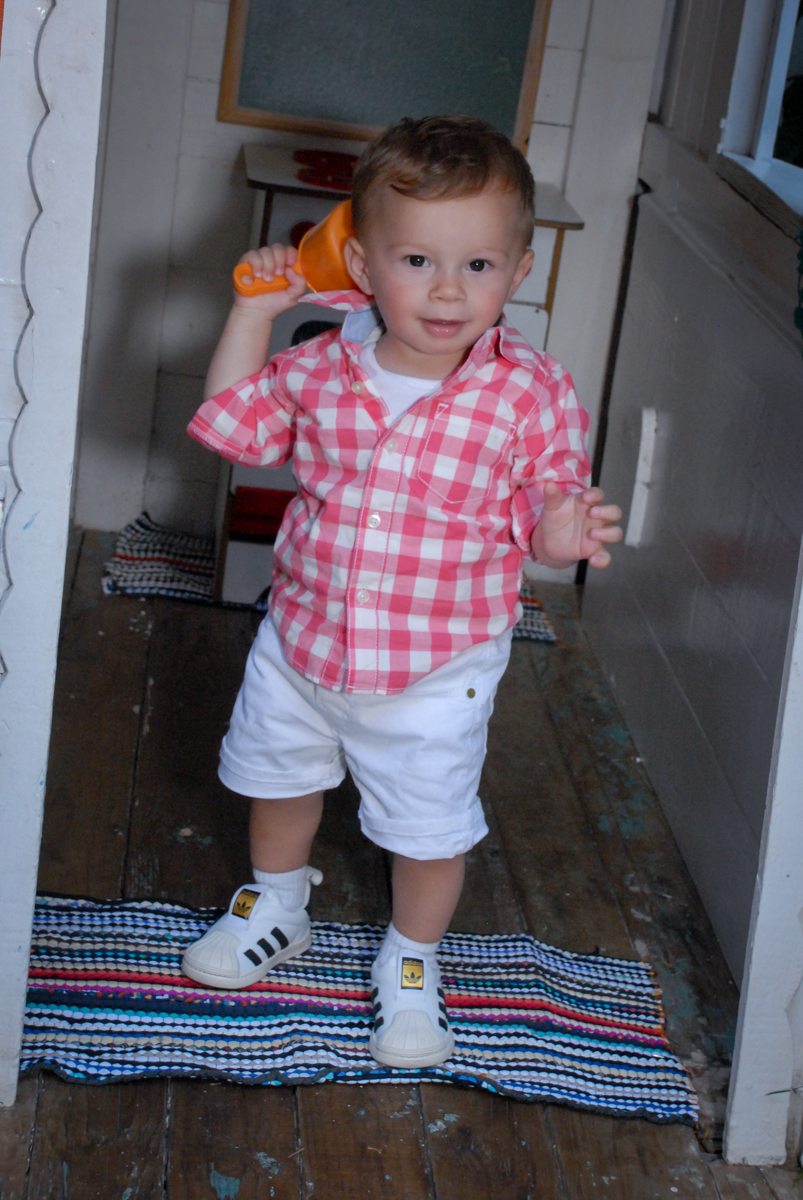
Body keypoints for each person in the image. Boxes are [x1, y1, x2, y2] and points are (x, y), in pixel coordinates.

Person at [181, 116, 622, 1069]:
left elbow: (548, 496)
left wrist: (558, 530)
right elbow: (230, 429)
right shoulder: (317, 365)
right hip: (303, 640)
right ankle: (277, 904)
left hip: (437, 665)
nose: (447, 289)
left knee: (427, 829)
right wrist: (254, 312)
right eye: (417, 258)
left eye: (478, 264)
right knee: (278, 781)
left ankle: (411, 963)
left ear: (520, 268)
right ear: (360, 261)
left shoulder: (530, 391)